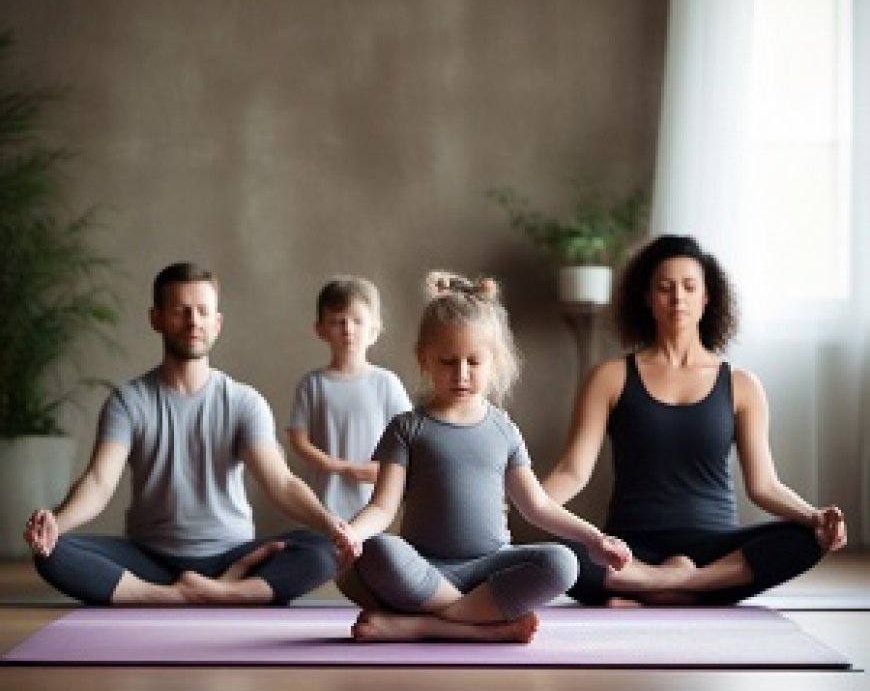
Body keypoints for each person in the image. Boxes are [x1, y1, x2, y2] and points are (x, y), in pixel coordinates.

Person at [23, 262, 354, 606]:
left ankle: (214, 590)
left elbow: (281, 483)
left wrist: (331, 524)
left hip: (233, 556)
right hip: (149, 559)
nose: (193, 321)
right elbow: (98, 482)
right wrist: (54, 525)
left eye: (202, 311)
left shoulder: (244, 401)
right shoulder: (128, 401)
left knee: (321, 550)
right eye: (181, 311)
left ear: (217, 322)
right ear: (157, 319)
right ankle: (182, 595)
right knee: (53, 552)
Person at [543, 234, 848, 606]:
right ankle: (683, 586)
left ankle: (664, 585)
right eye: (665, 288)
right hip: (629, 550)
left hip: (716, 549)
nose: (677, 299)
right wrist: (519, 507)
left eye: (689, 287)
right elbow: (573, 471)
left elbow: (764, 486)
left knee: (805, 539)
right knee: (551, 556)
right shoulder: (610, 377)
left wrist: (816, 518)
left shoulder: (741, 385)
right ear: (646, 297)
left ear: (707, 298)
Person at [334, 271, 632, 643]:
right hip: (426, 571)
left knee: (562, 562)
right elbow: (382, 507)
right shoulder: (406, 428)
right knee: (380, 551)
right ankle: (481, 626)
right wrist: (353, 533)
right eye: (447, 361)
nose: (461, 373)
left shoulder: (504, 429)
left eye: (473, 362)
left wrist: (593, 538)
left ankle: (425, 626)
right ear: (424, 358)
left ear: (496, 363)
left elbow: (536, 505)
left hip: (489, 570)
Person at [287, 276, 412, 521]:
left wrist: (382, 471)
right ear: (320, 329)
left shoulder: (386, 383)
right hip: (324, 506)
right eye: (337, 322)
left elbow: (408, 440)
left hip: (377, 507)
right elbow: (298, 439)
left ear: (374, 330)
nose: (348, 330)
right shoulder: (312, 384)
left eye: (357, 321)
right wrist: (336, 466)